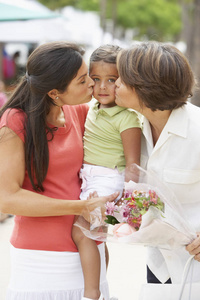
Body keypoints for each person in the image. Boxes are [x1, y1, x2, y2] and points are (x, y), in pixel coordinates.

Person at [0, 41, 119, 300]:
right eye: (82, 80)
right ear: (55, 93)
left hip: (89, 251)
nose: (91, 83)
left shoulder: (79, 112)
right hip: (42, 259)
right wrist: (78, 208)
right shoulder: (14, 122)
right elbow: (6, 198)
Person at [115, 41, 200, 300]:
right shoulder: (132, 130)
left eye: (122, 78)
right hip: (159, 265)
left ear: (145, 86)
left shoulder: (197, 131)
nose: (115, 83)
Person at [72, 44, 142, 300]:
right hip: (90, 178)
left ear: (123, 82)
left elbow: (133, 164)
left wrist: (128, 203)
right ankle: (100, 287)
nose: (102, 87)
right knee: (95, 235)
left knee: (83, 232)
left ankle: (92, 293)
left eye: (111, 80)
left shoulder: (127, 118)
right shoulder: (92, 109)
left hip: (108, 180)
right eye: (96, 79)